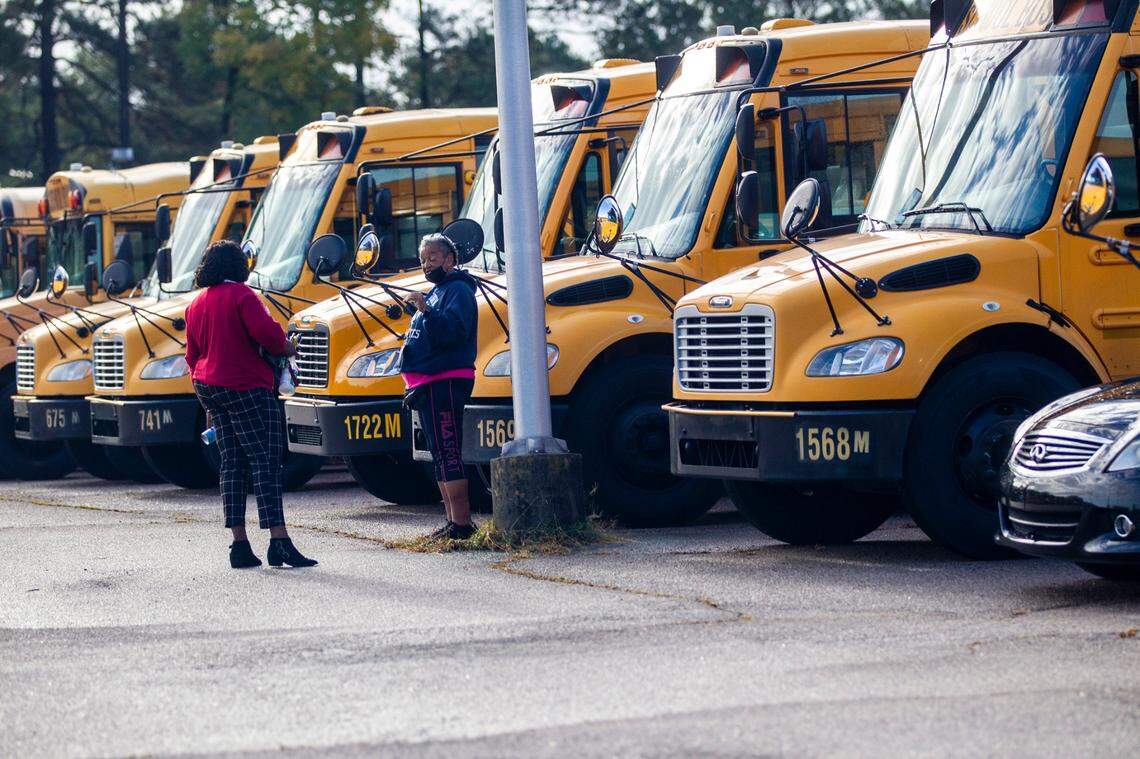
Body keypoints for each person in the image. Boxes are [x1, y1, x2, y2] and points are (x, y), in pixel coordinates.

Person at [184, 240, 317, 569]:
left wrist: (205, 392)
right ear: (238, 266)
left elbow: (191, 355)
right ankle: (279, 541)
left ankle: (239, 545)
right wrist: (288, 347)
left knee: (231, 464)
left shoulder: (196, 303)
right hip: (245, 385)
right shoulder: (243, 296)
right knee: (265, 461)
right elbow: (268, 336)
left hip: (209, 387)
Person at [401, 233, 479, 540]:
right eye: (422, 259)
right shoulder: (436, 292)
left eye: (432, 257)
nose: (426, 264)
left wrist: (426, 310)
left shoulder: (458, 291)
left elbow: (453, 333)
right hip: (425, 384)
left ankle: (462, 524)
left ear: (450, 259)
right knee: (439, 453)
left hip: (445, 381)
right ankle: (451, 522)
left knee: (448, 449)